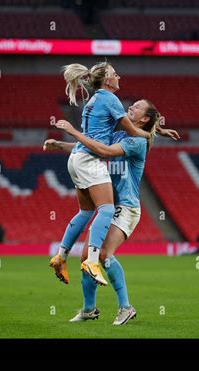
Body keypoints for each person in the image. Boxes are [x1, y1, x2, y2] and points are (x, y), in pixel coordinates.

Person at [45, 99, 179, 325]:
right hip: (108, 207)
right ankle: (89, 310)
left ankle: (126, 307)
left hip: (125, 208)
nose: (131, 107)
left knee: (103, 254)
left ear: (144, 119)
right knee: (88, 256)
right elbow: (88, 149)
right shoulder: (119, 135)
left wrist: (72, 131)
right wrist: (61, 144)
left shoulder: (136, 141)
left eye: (136, 107)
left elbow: (104, 151)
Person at [49, 62, 153, 287]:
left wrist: (158, 129)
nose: (119, 77)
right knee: (105, 209)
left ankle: (61, 256)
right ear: (107, 80)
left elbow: (122, 131)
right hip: (88, 159)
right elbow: (132, 131)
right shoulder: (111, 99)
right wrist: (151, 132)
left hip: (76, 157)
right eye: (115, 74)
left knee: (85, 212)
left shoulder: (93, 100)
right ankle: (93, 261)